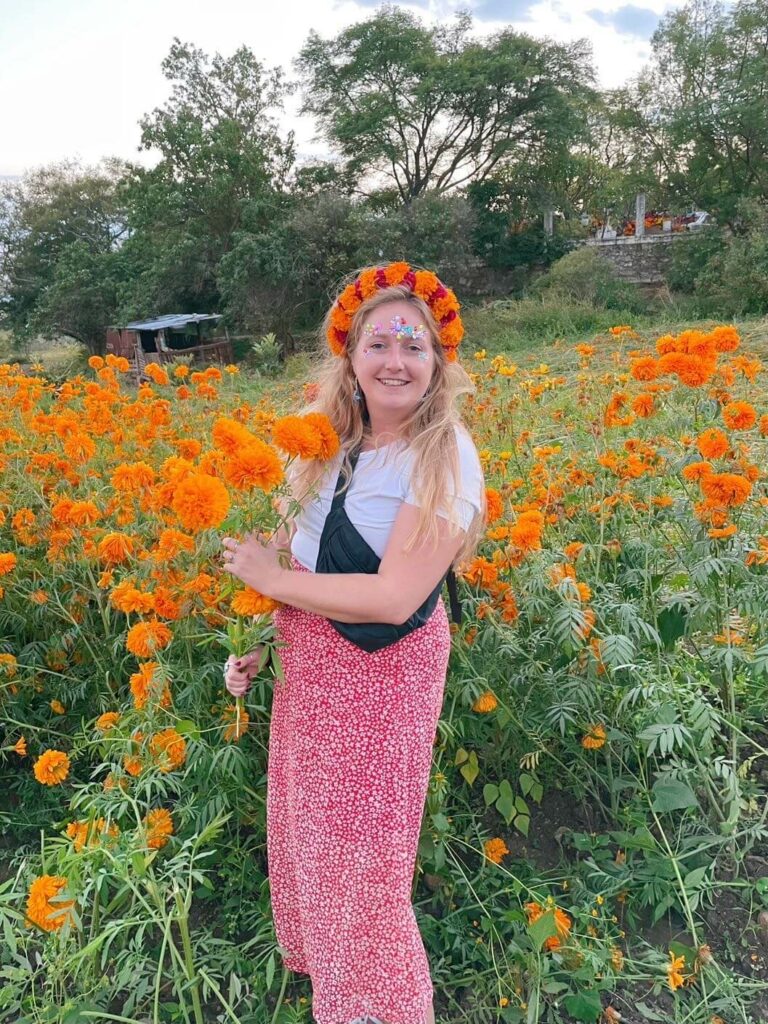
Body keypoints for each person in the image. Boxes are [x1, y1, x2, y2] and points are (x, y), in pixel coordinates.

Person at [221, 263, 486, 1024]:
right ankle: (337, 995)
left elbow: (396, 594)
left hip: (381, 677)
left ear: (439, 363)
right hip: (309, 669)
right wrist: (257, 647)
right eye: (379, 342)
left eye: (415, 345)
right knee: (309, 839)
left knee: (362, 869)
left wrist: (273, 582)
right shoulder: (319, 441)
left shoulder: (443, 456)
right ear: (350, 354)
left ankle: (380, 1009)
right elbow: (293, 556)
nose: (396, 360)